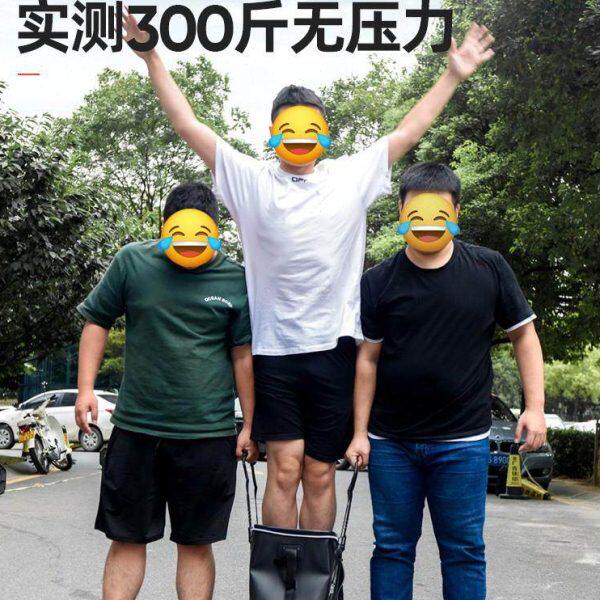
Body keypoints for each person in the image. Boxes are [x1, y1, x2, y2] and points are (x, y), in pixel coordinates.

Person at [122, 11, 495, 531]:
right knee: (284, 468)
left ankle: (313, 572)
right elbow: (188, 125)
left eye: (310, 128)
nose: (299, 138)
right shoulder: (250, 180)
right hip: (273, 350)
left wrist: (452, 75)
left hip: (334, 347)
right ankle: (278, 570)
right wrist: (151, 57)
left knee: (319, 473)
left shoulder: (350, 177)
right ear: (273, 133)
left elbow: (409, 131)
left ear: (325, 134)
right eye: (289, 129)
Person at [345, 162, 547, 600]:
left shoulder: (489, 268)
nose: (427, 223)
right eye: (416, 212)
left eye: (439, 212)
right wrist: (359, 433)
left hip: (462, 442)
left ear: (456, 211)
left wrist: (535, 407)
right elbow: (368, 360)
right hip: (392, 442)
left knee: (464, 551)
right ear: (401, 212)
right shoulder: (378, 281)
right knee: (392, 549)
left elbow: (524, 335)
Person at [74, 183, 258, 600]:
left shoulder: (235, 277)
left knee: (196, 544)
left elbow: (242, 355)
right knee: (126, 539)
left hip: (207, 435)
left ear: (215, 231)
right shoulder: (132, 262)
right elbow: (97, 320)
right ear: (163, 228)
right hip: (137, 430)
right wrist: (85, 389)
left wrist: (250, 424)